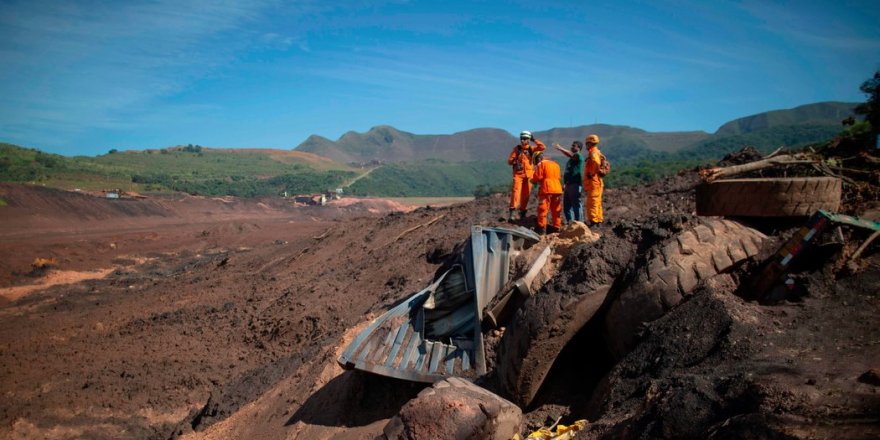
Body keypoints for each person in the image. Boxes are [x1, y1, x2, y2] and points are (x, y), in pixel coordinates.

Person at [507, 130, 545, 222]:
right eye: (523, 138)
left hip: (529, 175)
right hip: (518, 175)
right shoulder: (517, 149)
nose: (524, 140)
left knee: (526, 195)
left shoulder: (531, 149)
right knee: (516, 192)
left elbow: (542, 147)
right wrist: (515, 160)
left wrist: (534, 140)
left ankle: (522, 212)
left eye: (526, 138)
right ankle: (512, 212)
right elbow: (509, 161)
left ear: (529, 139)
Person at [530, 151, 563, 234]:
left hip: (547, 189)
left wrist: (532, 180)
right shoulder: (556, 164)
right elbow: (558, 177)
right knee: (556, 210)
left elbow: (538, 177)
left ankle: (542, 228)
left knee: (543, 209)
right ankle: (557, 227)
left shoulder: (541, 164)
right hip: (557, 189)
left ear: (538, 158)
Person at [553, 140, 583, 224]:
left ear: (579, 148)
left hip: (575, 184)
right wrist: (564, 183)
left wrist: (560, 148)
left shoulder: (578, 156)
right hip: (568, 185)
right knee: (567, 206)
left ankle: (579, 223)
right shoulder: (570, 160)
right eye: (572, 145)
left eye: (574, 146)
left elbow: (571, 155)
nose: (572, 147)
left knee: (576, 204)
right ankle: (571, 223)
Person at [583, 134, 604, 226]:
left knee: (592, 202)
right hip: (597, 181)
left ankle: (594, 221)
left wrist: (592, 172)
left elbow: (596, 162)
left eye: (587, 144)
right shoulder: (597, 152)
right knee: (597, 202)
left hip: (594, 182)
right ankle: (598, 220)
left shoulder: (593, 152)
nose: (586, 146)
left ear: (590, 143)